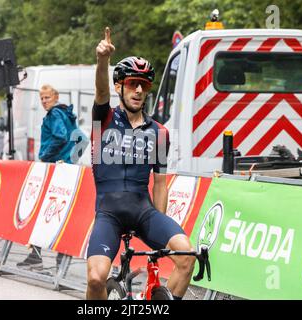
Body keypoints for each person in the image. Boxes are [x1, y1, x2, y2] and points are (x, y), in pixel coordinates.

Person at [86, 27, 195, 300]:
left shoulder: (159, 132)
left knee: (187, 256)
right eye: (133, 83)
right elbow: (100, 91)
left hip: (144, 212)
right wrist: (102, 61)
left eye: (144, 85)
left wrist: (159, 228)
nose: (138, 90)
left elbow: (159, 184)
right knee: (96, 277)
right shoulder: (105, 120)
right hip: (108, 213)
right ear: (119, 87)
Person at [17, 84, 83, 271]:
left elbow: (60, 136)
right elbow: (82, 139)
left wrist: (46, 156)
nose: (44, 101)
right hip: (66, 170)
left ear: (56, 97)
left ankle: (37, 256)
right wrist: (71, 160)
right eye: (42, 98)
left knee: (41, 212)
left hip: (54, 169)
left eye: (47, 97)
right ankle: (58, 258)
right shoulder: (67, 114)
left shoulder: (54, 114)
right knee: (58, 214)